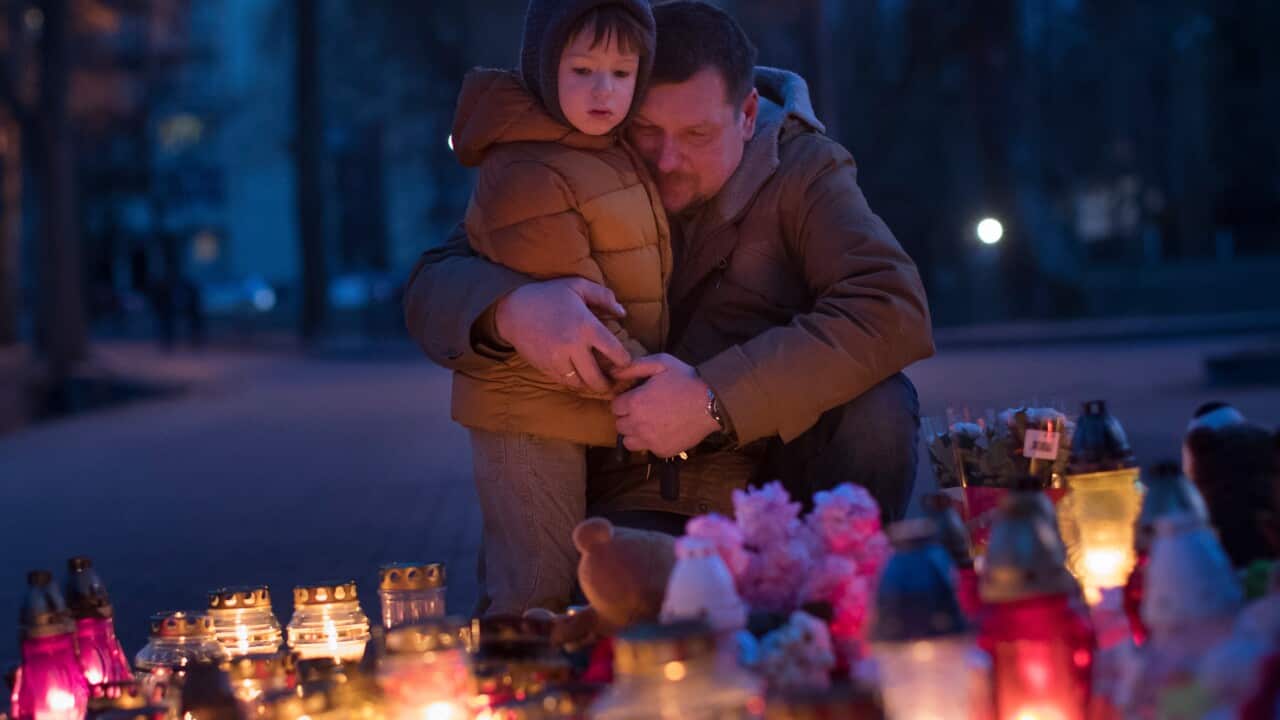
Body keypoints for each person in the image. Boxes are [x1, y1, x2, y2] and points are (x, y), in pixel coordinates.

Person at [406, 1, 933, 544]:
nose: (667, 159)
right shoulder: (570, 156)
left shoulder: (804, 172)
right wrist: (511, 310)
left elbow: (891, 306)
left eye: (697, 135)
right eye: (647, 130)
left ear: (748, 114)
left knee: (880, 405)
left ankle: (843, 589)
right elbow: (432, 281)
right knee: (632, 608)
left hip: (780, 470)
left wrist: (714, 399)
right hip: (637, 486)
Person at [447, 0, 669, 615]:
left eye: (622, 74)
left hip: (577, 400)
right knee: (535, 581)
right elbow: (585, 324)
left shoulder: (601, 149)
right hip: (529, 409)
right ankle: (515, 694)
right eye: (582, 70)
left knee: (568, 580)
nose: (605, 91)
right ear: (544, 68)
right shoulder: (528, 166)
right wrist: (659, 386)